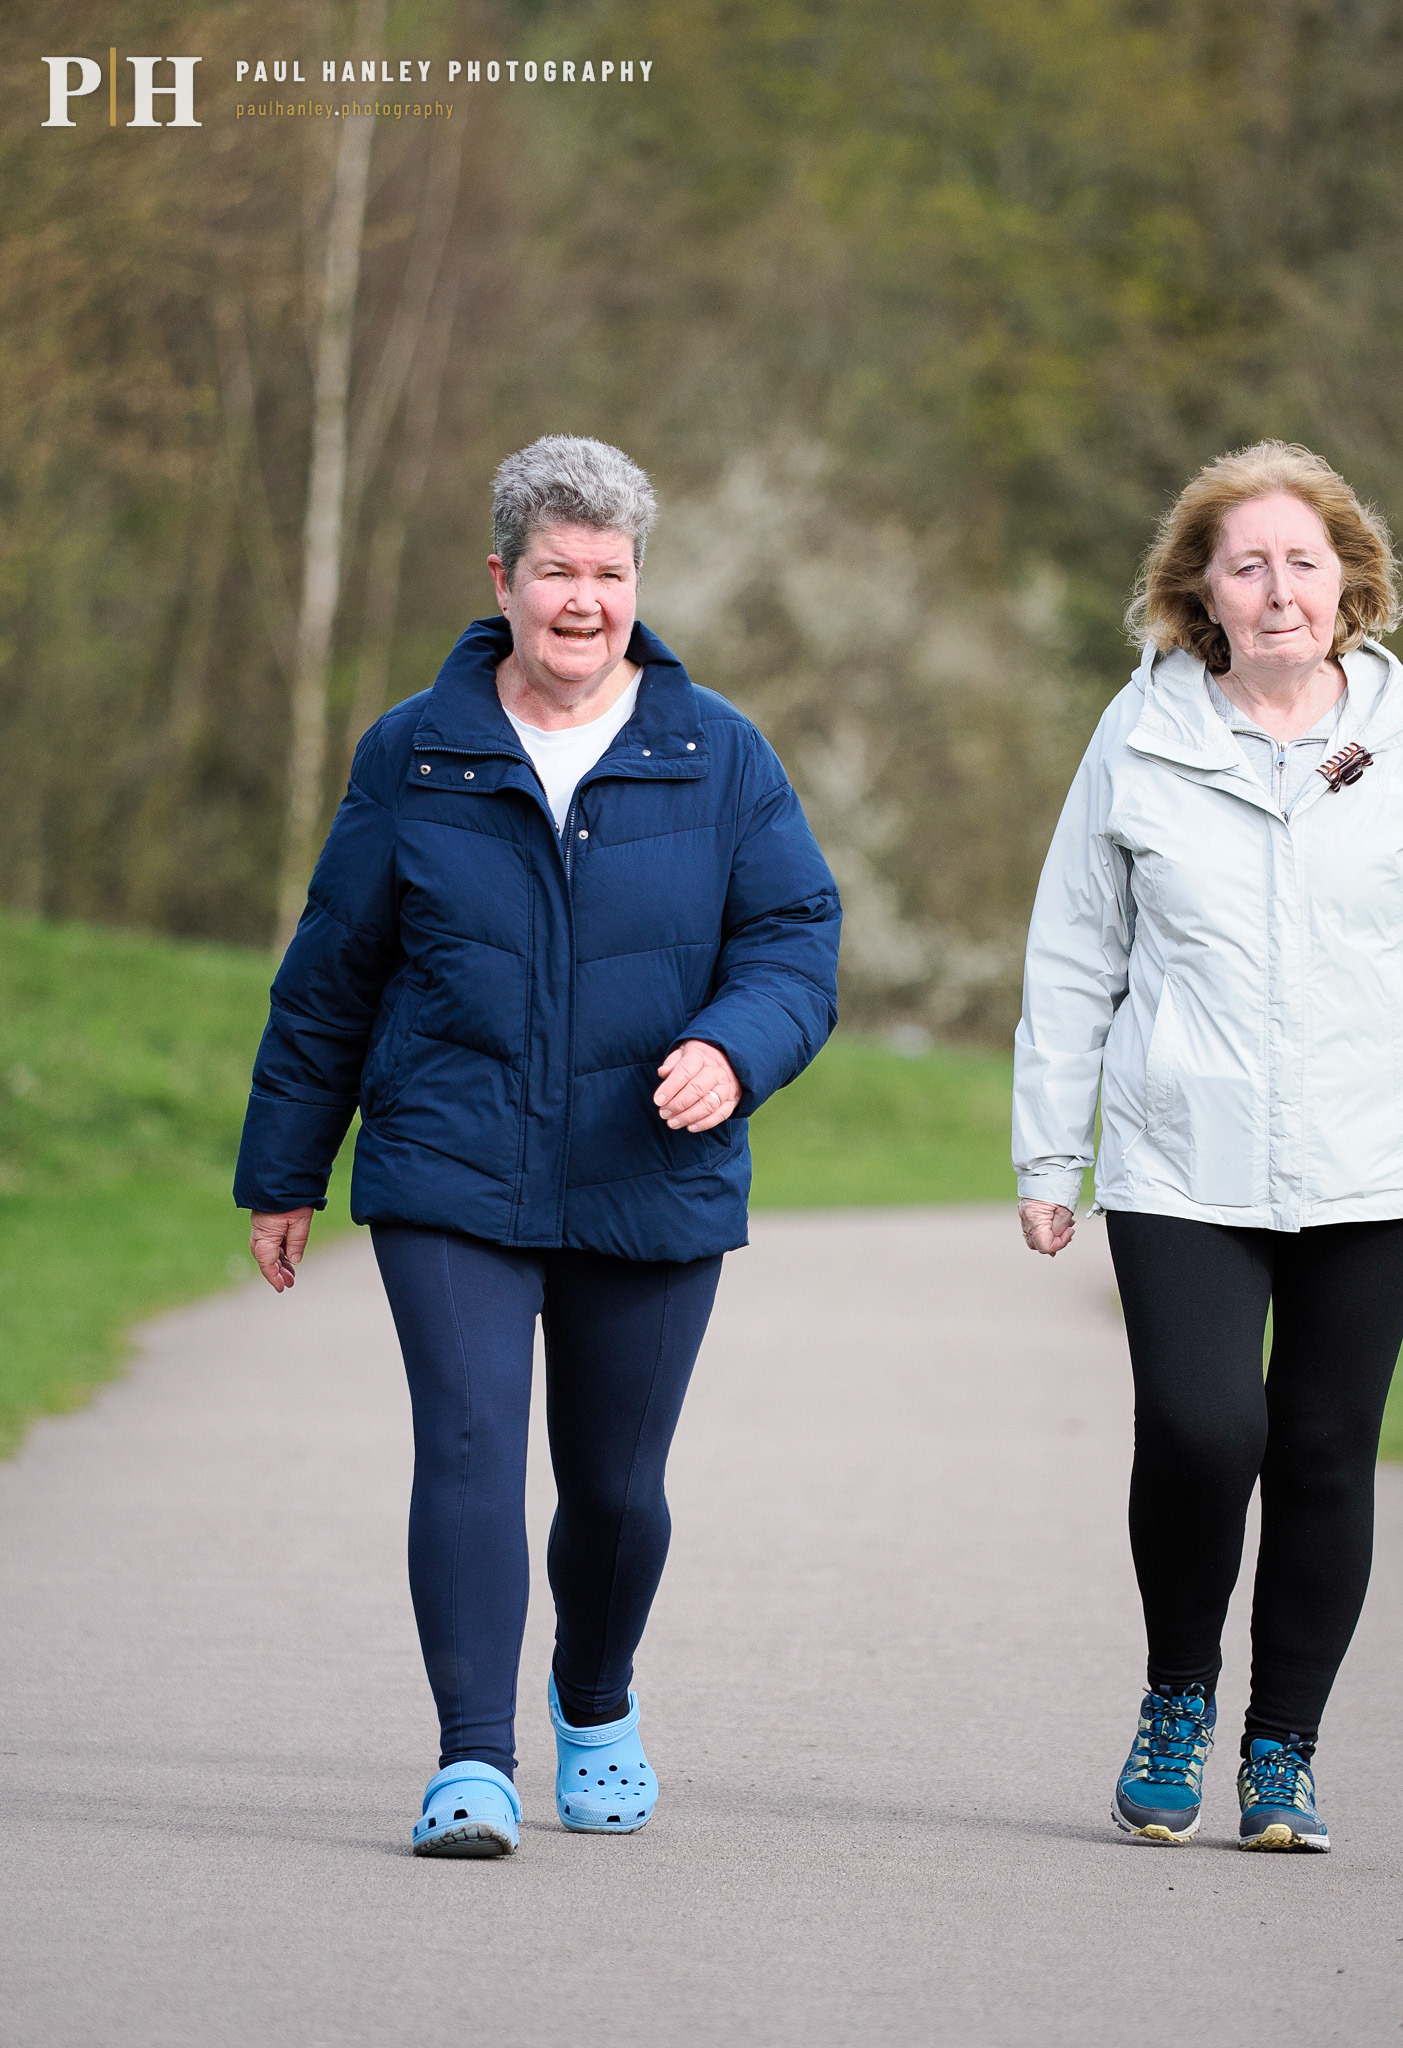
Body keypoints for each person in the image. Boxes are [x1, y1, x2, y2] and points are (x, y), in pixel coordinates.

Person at [234, 435, 840, 1858]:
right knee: (464, 1446)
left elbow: (796, 942)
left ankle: (596, 1695)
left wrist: (734, 1049)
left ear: (639, 584)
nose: (585, 601)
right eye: (558, 571)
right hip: (453, 1158)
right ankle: (472, 1763)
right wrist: (283, 1168)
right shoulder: (416, 750)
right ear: (501, 577)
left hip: (651, 1171)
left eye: (610, 574)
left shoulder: (718, 750)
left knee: (619, 1490)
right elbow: (334, 969)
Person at [1013, 441, 1403, 1852]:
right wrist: (1050, 1157)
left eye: (1304, 560)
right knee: (1201, 1426)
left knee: (1320, 1450)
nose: (1279, 586)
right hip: (1184, 1155)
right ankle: (1177, 1690)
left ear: (1348, 580)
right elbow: (1076, 954)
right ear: (1203, 591)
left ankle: (1283, 1750)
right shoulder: (1138, 738)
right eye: (1247, 562)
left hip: (1377, 1164)